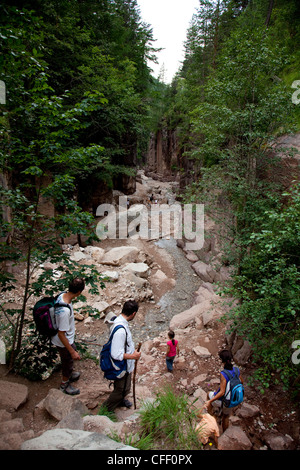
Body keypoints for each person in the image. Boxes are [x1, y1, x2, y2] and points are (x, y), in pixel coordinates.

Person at [102, 300, 141, 412]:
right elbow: (116, 354)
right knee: (121, 389)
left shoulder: (119, 322)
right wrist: (133, 356)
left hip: (124, 364)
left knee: (124, 387)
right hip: (121, 365)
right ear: (133, 314)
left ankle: (120, 401)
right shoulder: (120, 331)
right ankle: (106, 409)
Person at [51, 277, 85, 395]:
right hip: (63, 341)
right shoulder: (64, 312)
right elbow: (61, 334)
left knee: (69, 360)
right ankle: (64, 385)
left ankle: (69, 375)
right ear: (79, 292)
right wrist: (72, 351)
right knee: (67, 362)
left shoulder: (63, 295)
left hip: (64, 337)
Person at [204, 349, 244, 431]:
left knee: (209, 394)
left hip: (225, 400)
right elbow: (241, 382)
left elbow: (222, 392)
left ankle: (210, 417)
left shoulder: (224, 374)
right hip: (233, 399)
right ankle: (225, 432)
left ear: (223, 361)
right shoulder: (237, 370)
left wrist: (210, 401)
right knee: (226, 416)